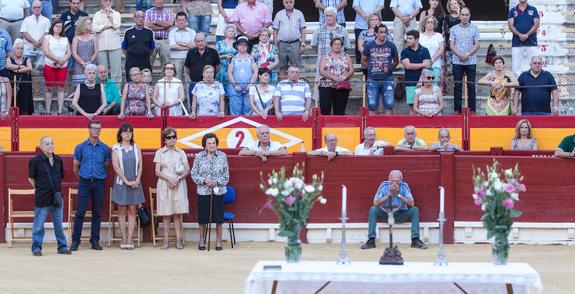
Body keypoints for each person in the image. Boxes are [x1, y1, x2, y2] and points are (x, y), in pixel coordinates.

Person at [360, 170, 428, 250]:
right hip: (387, 215)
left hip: (401, 214)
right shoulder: (384, 185)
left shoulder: (404, 186)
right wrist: (389, 194)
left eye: (397, 181)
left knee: (415, 210)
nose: (395, 183)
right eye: (392, 181)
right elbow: (375, 203)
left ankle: (415, 240)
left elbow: (412, 204)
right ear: (389, 178)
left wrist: (398, 194)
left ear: (401, 179)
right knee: (373, 209)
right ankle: (371, 240)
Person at [71, 120, 111, 251]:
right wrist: (83, 178)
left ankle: (95, 241)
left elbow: (106, 165)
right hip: (85, 182)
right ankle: (75, 241)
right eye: (94, 128)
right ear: (89, 129)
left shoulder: (105, 148)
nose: (96, 130)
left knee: (97, 213)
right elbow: (76, 167)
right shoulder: (80, 147)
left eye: (99, 128)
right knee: (80, 212)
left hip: (99, 182)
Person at [28, 136, 72, 256]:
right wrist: (41, 189)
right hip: (42, 197)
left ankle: (62, 246)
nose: (50, 146)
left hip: (57, 196)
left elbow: (60, 177)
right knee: (39, 224)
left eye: (52, 143)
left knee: (59, 224)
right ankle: (36, 248)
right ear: (41, 146)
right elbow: (31, 179)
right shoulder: (35, 161)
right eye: (47, 144)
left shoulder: (58, 160)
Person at [191, 133, 230, 251]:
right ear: (205, 145)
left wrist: (216, 182)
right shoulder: (198, 157)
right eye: (209, 143)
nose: (212, 145)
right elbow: (194, 174)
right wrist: (204, 181)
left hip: (219, 191)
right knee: (203, 217)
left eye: (214, 143)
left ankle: (218, 241)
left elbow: (226, 175)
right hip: (203, 191)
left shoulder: (223, 156)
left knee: (218, 217)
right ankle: (201, 240)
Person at [154, 127, 190, 249]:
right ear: (164, 140)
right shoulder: (159, 152)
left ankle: (179, 240)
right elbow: (157, 171)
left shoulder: (181, 152)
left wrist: (177, 179)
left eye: (173, 137)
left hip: (179, 183)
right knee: (166, 213)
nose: (171, 139)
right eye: (169, 137)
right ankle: (166, 240)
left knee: (178, 213)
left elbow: (187, 169)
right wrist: (169, 179)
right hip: (165, 183)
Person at [111, 124, 145, 250]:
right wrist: (126, 181)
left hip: (135, 182)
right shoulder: (115, 148)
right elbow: (115, 167)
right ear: (120, 134)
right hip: (122, 183)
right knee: (121, 210)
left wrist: (137, 179)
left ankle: (130, 238)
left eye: (130, 132)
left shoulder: (136, 147)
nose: (128, 134)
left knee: (132, 210)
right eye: (125, 132)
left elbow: (140, 166)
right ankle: (123, 238)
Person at [361, 24, 399, 115]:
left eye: (385, 32)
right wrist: (371, 68)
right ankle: (372, 127)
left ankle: (387, 128)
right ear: (376, 33)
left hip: (388, 79)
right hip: (372, 79)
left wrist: (390, 68)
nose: (383, 34)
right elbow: (363, 60)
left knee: (389, 105)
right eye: (381, 32)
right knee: (372, 106)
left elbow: (396, 61)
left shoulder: (391, 45)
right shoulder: (369, 45)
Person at [450, 6, 479, 114]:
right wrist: (460, 55)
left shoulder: (475, 28)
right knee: (457, 86)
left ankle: (472, 110)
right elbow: (451, 45)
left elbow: (477, 44)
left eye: (467, 15)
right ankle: (457, 110)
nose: (465, 17)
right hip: (457, 61)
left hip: (471, 61)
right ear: (460, 15)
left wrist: (467, 55)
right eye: (463, 14)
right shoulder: (454, 29)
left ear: (469, 16)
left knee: (471, 86)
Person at [318, 37, 354, 115]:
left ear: (341, 46)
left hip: (342, 86)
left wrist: (345, 77)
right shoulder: (326, 56)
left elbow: (351, 70)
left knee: (340, 110)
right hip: (326, 86)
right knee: (325, 109)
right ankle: (325, 126)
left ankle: (338, 126)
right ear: (331, 45)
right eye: (335, 44)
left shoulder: (346, 56)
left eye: (339, 44)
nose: (337, 46)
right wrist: (333, 77)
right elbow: (321, 70)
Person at [42, 20, 71, 115]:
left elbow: (68, 53)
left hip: (63, 66)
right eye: (56, 26)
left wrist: (62, 61)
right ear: (53, 27)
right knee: (49, 88)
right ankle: (48, 110)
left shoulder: (65, 39)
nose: (58, 28)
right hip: (50, 65)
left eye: (60, 26)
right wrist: (58, 60)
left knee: (61, 88)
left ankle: (60, 110)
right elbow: (46, 51)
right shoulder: (47, 37)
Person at [184, 32, 221, 105]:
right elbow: (187, 69)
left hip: (210, 84)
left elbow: (217, 68)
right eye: (198, 41)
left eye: (202, 41)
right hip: (194, 83)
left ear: (206, 41)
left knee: (209, 105)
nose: (200, 43)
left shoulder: (213, 52)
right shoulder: (190, 53)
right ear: (195, 42)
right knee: (194, 106)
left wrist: (210, 76)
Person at [273, 0, 306, 78]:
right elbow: (275, 30)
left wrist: (303, 44)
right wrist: (276, 45)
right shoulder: (279, 14)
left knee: (296, 67)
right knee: (282, 67)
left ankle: (296, 87)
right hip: (282, 44)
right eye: (286, 2)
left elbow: (303, 29)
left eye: (291, 2)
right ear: (283, 3)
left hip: (295, 44)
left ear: (294, 2)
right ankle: (283, 88)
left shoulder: (299, 14)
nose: (289, 4)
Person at [401, 30, 431, 115]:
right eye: (407, 38)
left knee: (424, 105)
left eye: (410, 38)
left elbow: (427, 67)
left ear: (417, 39)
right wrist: (423, 64)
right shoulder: (404, 51)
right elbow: (408, 66)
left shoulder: (425, 50)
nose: (408, 40)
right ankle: (412, 126)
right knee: (412, 106)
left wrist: (420, 80)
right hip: (410, 82)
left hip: (424, 82)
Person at [92, 0, 122, 84]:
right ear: (101, 2)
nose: (108, 2)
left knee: (116, 70)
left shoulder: (116, 14)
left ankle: (116, 89)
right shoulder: (97, 15)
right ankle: (103, 89)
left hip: (115, 45)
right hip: (101, 45)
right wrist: (106, 26)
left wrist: (110, 17)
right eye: (105, 1)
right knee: (102, 70)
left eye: (110, 1)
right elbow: (94, 28)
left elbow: (116, 25)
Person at [508, 0, 540, 78]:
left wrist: (527, 35)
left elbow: (536, 24)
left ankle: (533, 84)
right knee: (516, 67)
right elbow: (510, 25)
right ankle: (517, 87)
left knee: (535, 64)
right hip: (517, 42)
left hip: (531, 41)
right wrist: (519, 35)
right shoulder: (513, 10)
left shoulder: (533, 9)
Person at [227, 36, 258, 115]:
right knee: (235, 111)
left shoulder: (252, 58)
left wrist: (251, 85)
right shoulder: (232, 58)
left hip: (249, 88)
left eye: (245, 45)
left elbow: (255, 71)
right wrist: (235, 85)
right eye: (240, 44)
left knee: (249, 110)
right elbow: (229, 72)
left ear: (247, 46)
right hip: (235, 89)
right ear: (237, 46)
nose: (243, 46)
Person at [122, 11, 155, 80]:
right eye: (138, 17)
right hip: (131, 62)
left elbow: (152, 49)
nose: (140, 19)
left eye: (142, 17)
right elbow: (124, 48)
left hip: (145, 62)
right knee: (131, 84)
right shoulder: (128, 32)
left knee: (146, 84)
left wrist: (143, 53)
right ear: (134, 18)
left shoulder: (149, 32)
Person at [20, 0, 50, 72]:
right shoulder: (26, 20)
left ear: (42, 8)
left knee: (40, 76)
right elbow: (24, 33)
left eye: (39, 7)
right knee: (26, 74)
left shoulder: (46, 20)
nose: (37, 9)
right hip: (27, 51)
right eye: (35, 7)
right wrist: (34, 42)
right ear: (32, 9)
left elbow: (47, 33)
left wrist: (38, 43)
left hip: (41, 52)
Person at [6, 39, 34, 115]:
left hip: (25, 87)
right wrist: (20, 66)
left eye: (21, 49)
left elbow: (30, 68)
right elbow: (9, 66)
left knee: (25, 104)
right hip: (14, 87)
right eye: (18, 48)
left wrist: (17, 71)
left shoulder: (26, 59)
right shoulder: (9, 59)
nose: (20, 50)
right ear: (14, 49)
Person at [144, 0, 174, 67]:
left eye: (161, 0)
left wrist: (154, 22)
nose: (159, 1)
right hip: (152, 40)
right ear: (154, 2)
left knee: (166, 64)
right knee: (148, 63)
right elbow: (147, 25)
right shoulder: (148, 12)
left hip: (165, 40)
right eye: (157, 0)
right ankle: (147, 77)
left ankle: (165, 77)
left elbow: (170, 24)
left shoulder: (168, 12)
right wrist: (163, 26)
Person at [169, 11, 196, 82]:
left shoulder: (192, 32)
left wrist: (181, 44)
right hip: (176, 58)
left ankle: (188, 93)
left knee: (189, 80)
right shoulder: (172, 32)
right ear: (176, 21)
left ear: (186, 21)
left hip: (190, 58)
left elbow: (194, 46)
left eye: (183, 20)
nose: (181, 22)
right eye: (179, 20)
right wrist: (188, 46)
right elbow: (173, 46)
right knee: (177, 80)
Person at [71, 17, 98, 87]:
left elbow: (96, 51)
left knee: (91, 86)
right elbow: (74, 53)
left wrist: (89, 62)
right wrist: (82, 63)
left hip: (91, 64)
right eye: (89, 24)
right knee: (79, 87)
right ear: (83, 25)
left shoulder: (94, 37)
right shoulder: (76, 38)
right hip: (79, 65)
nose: (91, 25)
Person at [419, 15, 444, 83]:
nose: (430, 24)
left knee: (434, 85)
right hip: (422, 66)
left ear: (434, 24)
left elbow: (441, 49)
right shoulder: (420, 36)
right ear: (424, 24)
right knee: (423, 86)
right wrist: (425, 62)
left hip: (435, 65)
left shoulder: (438, 36)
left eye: (432, 22)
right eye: (428, 22)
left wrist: (432, 59)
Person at [215, 24, 237, 93]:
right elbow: (215, 56)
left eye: (232, 31)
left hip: (234, 67)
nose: (231, 32)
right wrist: (224, 56)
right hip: (222, 67)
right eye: (229, 31)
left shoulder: (237, 43)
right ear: (225, 32)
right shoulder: (219, 43)